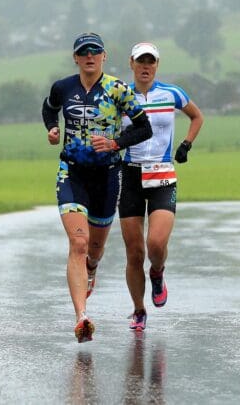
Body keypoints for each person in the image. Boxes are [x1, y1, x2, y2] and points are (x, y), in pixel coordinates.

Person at [42, 32, 153, 343]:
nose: (89, 56)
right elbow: (49, 108)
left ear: (104, 57)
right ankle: (81, 317)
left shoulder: (118, 90)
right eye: (83, 52)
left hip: (107, 176)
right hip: (72, 174)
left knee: (94, 249)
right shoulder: (62, 87)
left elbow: (144, 127)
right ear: (75, 58)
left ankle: (92, 267)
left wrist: (116, 143)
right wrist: (52, 127)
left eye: (95, 51)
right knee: (78, 244)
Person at [118, 42, 204, 332]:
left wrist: (186, 145)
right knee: (134, 253)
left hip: (162, 175)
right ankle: (139, 310)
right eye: (140, 61)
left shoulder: (172, 93)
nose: (145, 66)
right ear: (131, 63)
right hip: (130, 175)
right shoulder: (122, 96)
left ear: (157, 65)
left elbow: (197, 116)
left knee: (155, 244)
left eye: (150, 62)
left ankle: (157, 272)